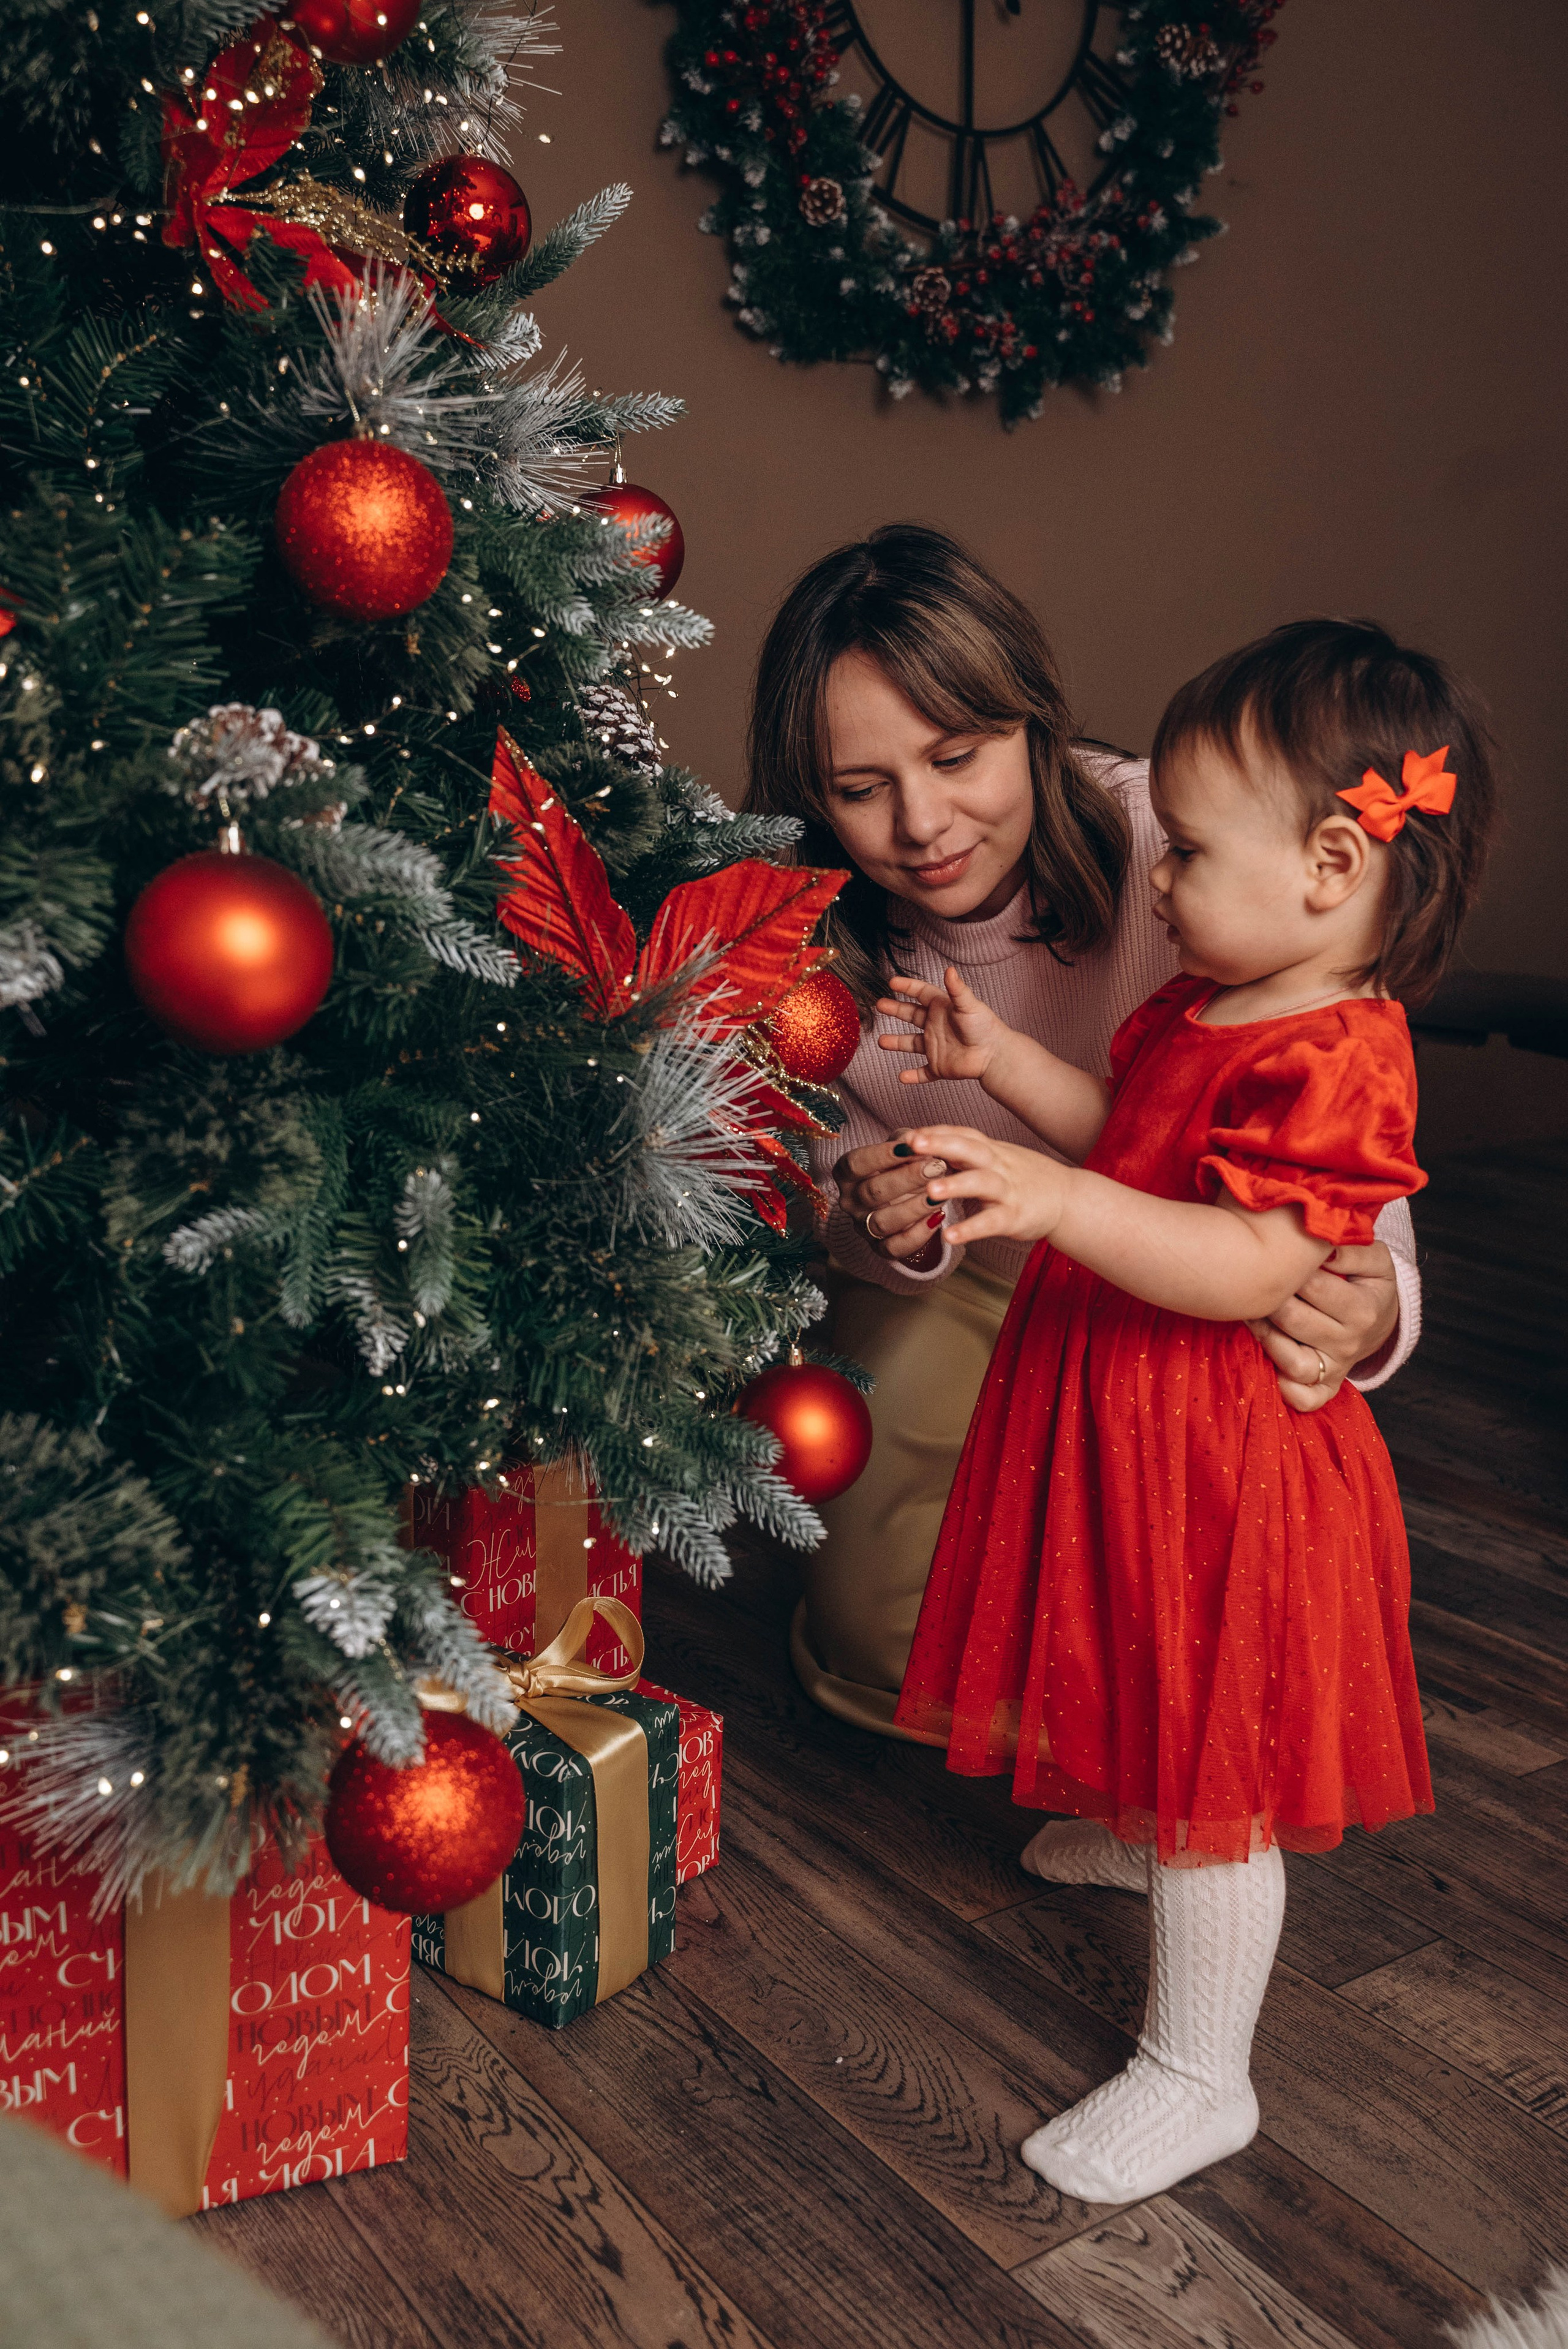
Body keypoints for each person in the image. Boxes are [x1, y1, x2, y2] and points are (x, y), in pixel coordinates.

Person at [886, 617, 1496, 2201]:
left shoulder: (1342, 1056)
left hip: (1225, 1445)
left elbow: (1243, 1258)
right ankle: (1147, 1816)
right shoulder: (1198, 1004)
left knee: (1222, 1742)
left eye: (1192, 849)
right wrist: (1008, 1068)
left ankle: (1198, 2067)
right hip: (1127, 1408)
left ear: (1333, 862)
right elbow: (1135, 1139)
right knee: (1132, 1646)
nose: (1156, 876)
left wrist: (1044, 1200)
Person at [744, 526, 1420, 1738]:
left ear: (1030, 720)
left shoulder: (1188, 845)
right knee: (882, 1639)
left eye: (958, 755)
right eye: (859, 789)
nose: (921, 823)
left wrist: (1378, 1299)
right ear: (810, 798)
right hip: (972, 1297)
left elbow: (1331, 1096)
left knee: (1230, 1602)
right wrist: (868, 1214)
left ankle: (1173, 1714)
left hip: (1183, 1291)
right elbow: (792, 1168)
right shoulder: (799, 950)